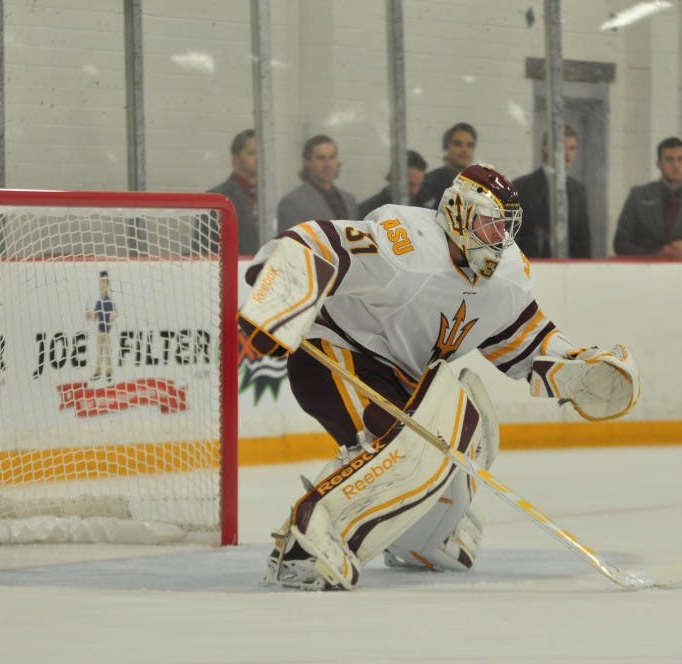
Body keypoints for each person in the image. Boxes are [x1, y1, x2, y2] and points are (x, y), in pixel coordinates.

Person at [237, 163, 641, 591]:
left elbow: (523, 338)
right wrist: (277, 307)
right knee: (409, 449)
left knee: (470, 428)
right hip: (335, 356)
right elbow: (314, 242)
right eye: (490, 224)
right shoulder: (406, 245)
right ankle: (304, 546)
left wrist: (577, 366)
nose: (499, 238)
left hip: (404, 379)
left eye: (505, 227)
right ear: (459, 213)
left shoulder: (506, 276)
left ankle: (423, 538)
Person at [613, 136, 682, 259]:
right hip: (647, 270)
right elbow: (620, 244)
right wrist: (655, 254)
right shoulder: (638, 196)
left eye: (681, 159)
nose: (676, 165)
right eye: (669, 160)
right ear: (659, 164)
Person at [513, 125, 591, 258]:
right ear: (546, 149)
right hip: (531, 266)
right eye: (562, 148)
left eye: (572, 148)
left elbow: (584, 244)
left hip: (570, 268)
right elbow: (512, 239)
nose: (568, 154)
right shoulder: (521, 187)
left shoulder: (579, 191)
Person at [276, 134, 358, 233]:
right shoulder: (292, 204)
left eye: (332, 157)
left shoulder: (348, 200)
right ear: (307, 162)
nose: (328, 164)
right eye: (321, 158)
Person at [204, 129, 260, 256]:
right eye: (252, 153)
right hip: (234, 268)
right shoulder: (216, 199)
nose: (259, 158)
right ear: (236, 159)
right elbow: (205, 250)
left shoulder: (272, 197)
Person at [412, 122, 477, 208]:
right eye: (458, 144)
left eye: (469, 145)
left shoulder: (478, 185)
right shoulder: (431, 181)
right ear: (446, 147)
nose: (464, 150)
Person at [357, 150, 428, 218]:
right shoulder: (368, 212)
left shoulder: (421, 211)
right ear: (393, 178)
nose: (415, 191)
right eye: (409, 184)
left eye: (419, 185)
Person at [86, 270, 116, 383]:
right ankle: (98, 372)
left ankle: (108, 372)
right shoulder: (98, 302)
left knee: (108, 352)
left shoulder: (110, 301)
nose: (102, 285)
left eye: (104, 282)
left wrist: (111, 323)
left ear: (107, 284)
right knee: (99, 352)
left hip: (106, 331)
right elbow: (95, 317)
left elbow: (114, 313)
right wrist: (89, 315)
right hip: (100, 330)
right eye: (101, 283)